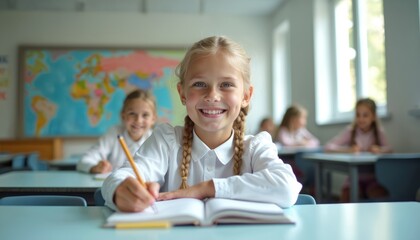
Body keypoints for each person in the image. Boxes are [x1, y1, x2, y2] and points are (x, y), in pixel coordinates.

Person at [102, 36, 302, 212]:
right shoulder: (166, 141)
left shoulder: (256, 146)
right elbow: (118, 178)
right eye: (199, 84)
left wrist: (207, 188)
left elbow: (286, 187)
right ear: (182, 94)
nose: (212, 96)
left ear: (246, 95)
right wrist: (121, 190)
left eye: (226, 85)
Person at [324, 98, 392, 202]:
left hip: (374, 179)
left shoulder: (378, 132)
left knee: (381, 199)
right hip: (353, 179)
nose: (361, 119)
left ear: (373, 117)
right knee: (345, 200)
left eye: (365, 115)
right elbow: (328, 147)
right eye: (358, 115)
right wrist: (348, 150)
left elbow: (390, 149)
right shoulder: (350, 131)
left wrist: (379, 150)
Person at [76, 89, 157, 174]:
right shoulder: (114, 133)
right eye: (132, 113)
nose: (138, 120)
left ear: (153, 119)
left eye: (145, 115)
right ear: (123, 115)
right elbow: (84, 161)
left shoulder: (156, 139)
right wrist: (95, 167)